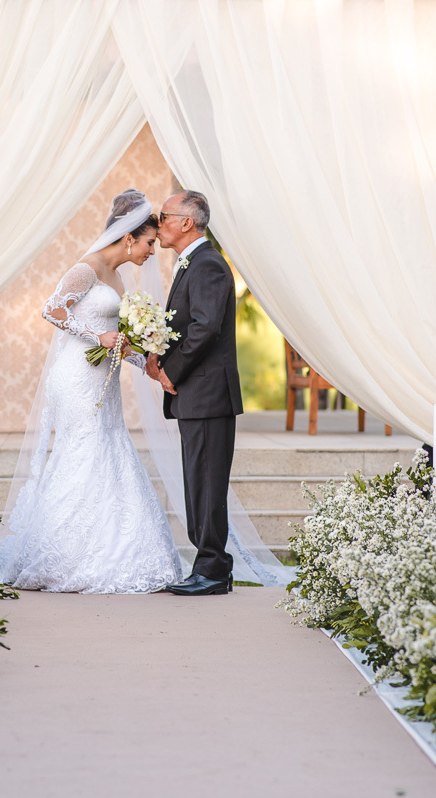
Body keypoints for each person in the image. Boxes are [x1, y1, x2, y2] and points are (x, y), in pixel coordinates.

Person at [0, 189, 181, 593]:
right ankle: (63, 552)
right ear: (130, 237)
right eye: (150, 243)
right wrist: (96, 333)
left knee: (108, 447)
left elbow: (120, 340)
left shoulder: (118, 277)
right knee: (83, 450)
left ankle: (106, 547)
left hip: (103, 379)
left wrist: (149, 365)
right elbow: (51, 310)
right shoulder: (87, 268)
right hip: (77, 378)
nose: (152, 251)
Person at [146, 190, 245, 596]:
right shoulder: (195, 263)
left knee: (206, 482)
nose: (158, 223)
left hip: (206, 394)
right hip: (197, 394)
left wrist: (170, 369)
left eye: (164, 216)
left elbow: (205, 328)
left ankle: (213, 571)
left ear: (187, 222)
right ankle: (209, 566)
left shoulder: (207, 265)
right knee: (199, 482)